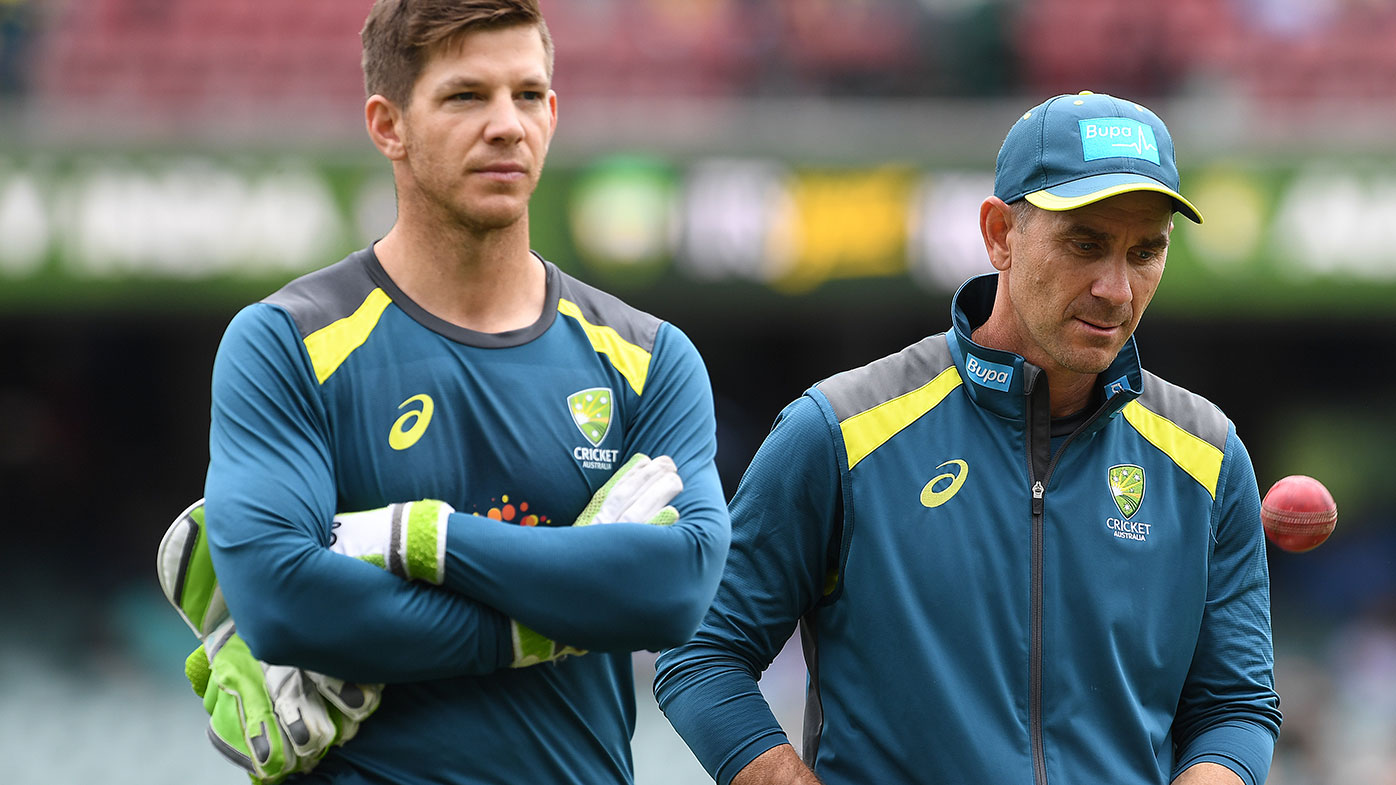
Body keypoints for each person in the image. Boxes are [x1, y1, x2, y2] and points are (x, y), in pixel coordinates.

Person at [653, 91, 1282, 785]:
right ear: (999, 234)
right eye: (1085, 243)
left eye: (1146, 251)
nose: (1116, 287)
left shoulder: (1210, 457)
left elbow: (1236, 705)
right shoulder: (840, 431)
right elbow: (702, 651)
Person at [176, 1, 730, 783]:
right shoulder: (284, 343)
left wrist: (419, 538)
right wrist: (552, 612)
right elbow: (282, 601)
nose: (507, 124)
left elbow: (676, 586)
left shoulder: (650, 356)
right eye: (466, 96)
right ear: (387, 124)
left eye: (528, 95)